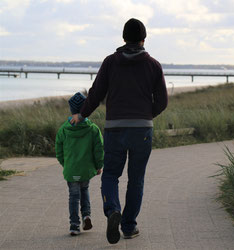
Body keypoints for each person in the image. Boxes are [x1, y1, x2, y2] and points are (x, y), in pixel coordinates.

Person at [70, 18, 168, 244]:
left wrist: (81, 115)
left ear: (123, 38)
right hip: (142, 130)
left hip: (114, 128)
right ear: (144, 39)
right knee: (136, 179)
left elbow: (95, 93)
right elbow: (162, 102)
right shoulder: (153, 65)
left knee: (112, 174)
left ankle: (113, 210)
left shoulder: (110, 62)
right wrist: (145, 115)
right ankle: (129, 226)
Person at [55, 92, 104, 236]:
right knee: (85, 190)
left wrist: (65, 164)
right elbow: (99, 149)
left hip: (71, 170)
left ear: (71, 110)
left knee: (73, 196)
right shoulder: (93, 129)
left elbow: (58, 150)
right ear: (85, 109)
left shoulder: (64, 129)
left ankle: (74, 225)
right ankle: (86, 216)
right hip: (86, 169)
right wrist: (99, 165)